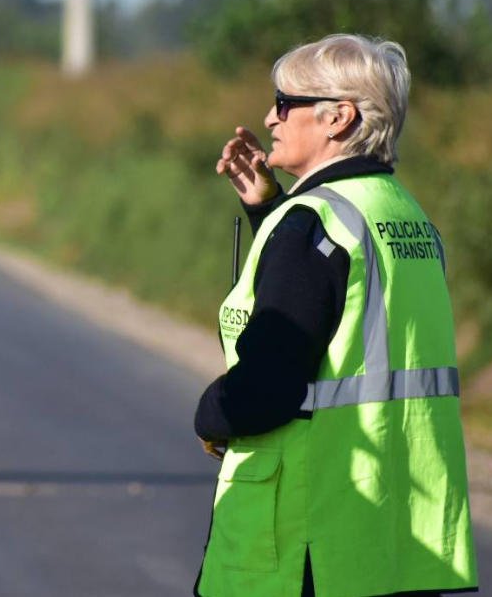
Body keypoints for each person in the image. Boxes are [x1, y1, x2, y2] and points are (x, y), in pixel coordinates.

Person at [193, 34, 477, 596]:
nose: (269, 118)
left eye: (283, 102)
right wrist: (267, 209)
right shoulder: (403, 214)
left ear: (338, 118)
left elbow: (269, 385)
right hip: (397, 542)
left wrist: (211, 415)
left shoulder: (314, 224)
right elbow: (346, 321)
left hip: (308, 542)